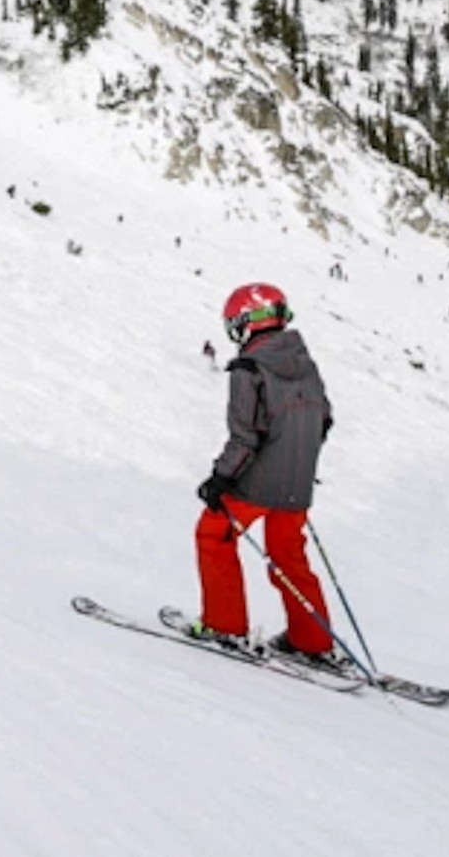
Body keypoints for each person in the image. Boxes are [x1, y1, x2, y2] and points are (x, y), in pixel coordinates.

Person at [189, 283, 337, 660]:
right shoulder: (306, 364)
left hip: (255, 485)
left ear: (245, 324)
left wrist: (220, 479)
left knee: (214, 535)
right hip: (297, 486)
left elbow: (245, 437)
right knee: (288, 554)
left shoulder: (248, 369)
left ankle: (225, 626)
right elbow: (323, 419)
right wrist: (298, 463)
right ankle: (313, 641)